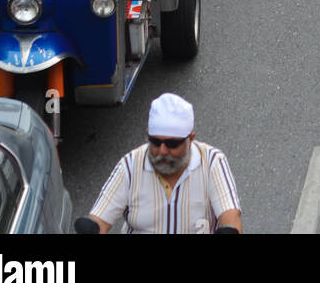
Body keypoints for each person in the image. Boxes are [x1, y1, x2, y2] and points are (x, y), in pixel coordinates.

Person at [87, 93, 242, 234]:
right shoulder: (130, 164)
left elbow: (231, 220)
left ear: (190, 139)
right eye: (155, 142)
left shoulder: (213, 162)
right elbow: (99, 221)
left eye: (172, 144)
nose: (162, 151)